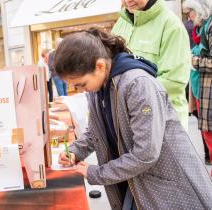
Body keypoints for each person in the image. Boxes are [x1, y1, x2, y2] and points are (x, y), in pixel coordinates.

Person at [56, 28, 212, 209]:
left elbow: (145, 153)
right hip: (137, 181)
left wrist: (96, 173)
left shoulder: (137, 84)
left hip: (168, 185)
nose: (81, 90)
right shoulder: (99, 87)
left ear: (100, 66)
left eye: (81, 84)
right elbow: (95, 131)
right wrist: (75, 151)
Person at [112, 0, 191, 131]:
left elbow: (174, 81)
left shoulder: (171, 25)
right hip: (131, 120)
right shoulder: (121, 23)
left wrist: (129, 97)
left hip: (165, 121)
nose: (127, 1)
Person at [183, 0, 212, 167]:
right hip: (202, 91)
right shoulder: (201, 29)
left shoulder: (209, 27)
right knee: (207, 135)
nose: (190, 16)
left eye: (191, 12)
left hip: (208, 92)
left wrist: (194, 60)